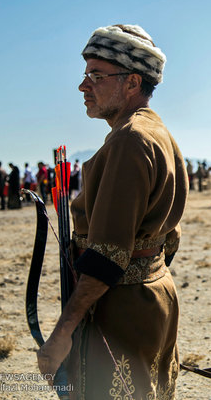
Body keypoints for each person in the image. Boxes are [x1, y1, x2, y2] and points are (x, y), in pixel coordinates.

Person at [37, 24, 187, 400]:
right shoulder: (157, 132)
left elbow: (107, 257)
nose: (83, 86)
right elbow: (170, 238)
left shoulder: (129, 139)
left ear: (132, 81)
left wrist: (61, 334)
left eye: (96, 76)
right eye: (86, 74)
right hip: (154, 297)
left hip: (122, 312)